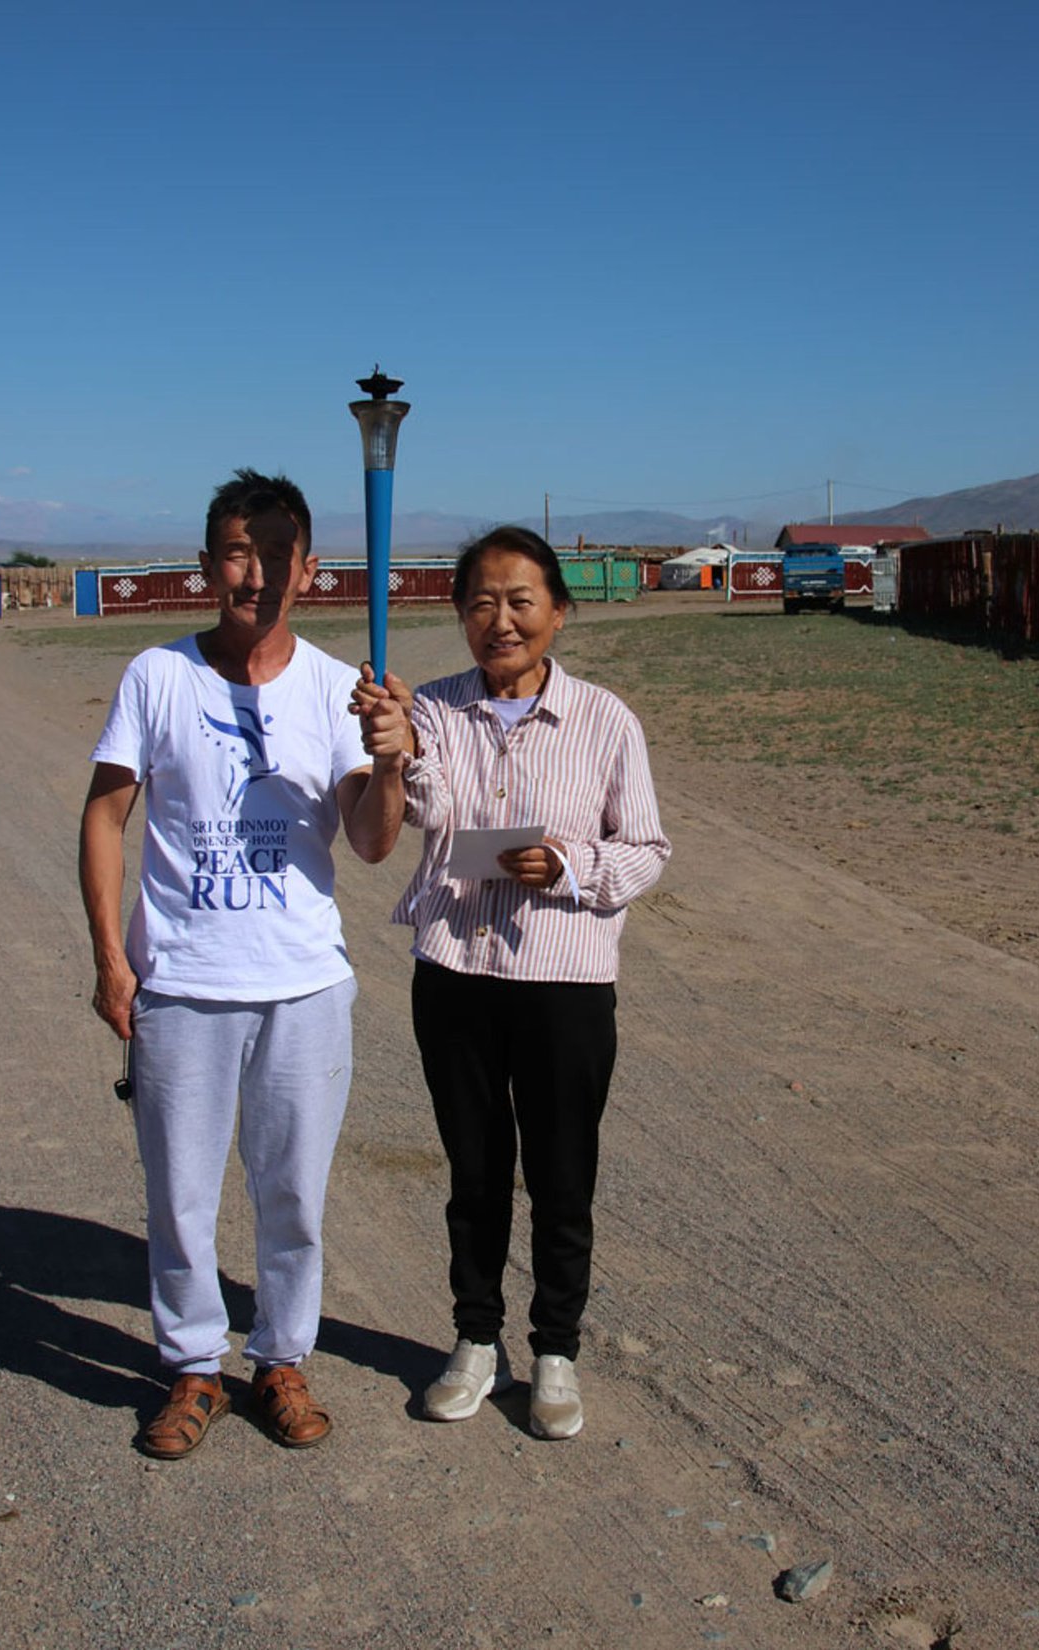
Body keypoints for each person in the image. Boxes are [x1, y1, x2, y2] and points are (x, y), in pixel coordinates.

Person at [79, 469, 410, 1459]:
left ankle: (279, 1358)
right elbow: (105, 815)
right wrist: (110, 958)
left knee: (293, 1193)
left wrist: (392, 762)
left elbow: (372, 842)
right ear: (205, 565)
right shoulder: (157, 676)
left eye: (274, 554)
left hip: (303, 985)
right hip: (183, 985)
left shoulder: (335, 689)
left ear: (308, 570)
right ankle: (191, 1367)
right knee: (179, 1196)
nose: (255, 572)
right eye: (236, 552)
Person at [358, 526, 670, 1439]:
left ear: (558, 612)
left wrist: (570, 865)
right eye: (481, 603)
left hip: (564, 983)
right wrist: (396, 747)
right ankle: (476, 1340)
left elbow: (646, 847)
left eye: (520, 601)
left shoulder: (606, 721)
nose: (501, 620)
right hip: (455, 974)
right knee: (475, 1172)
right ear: (460, 616)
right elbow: (425, 809)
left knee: (563, 1175)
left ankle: (556, 1351)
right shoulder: (436, 710)